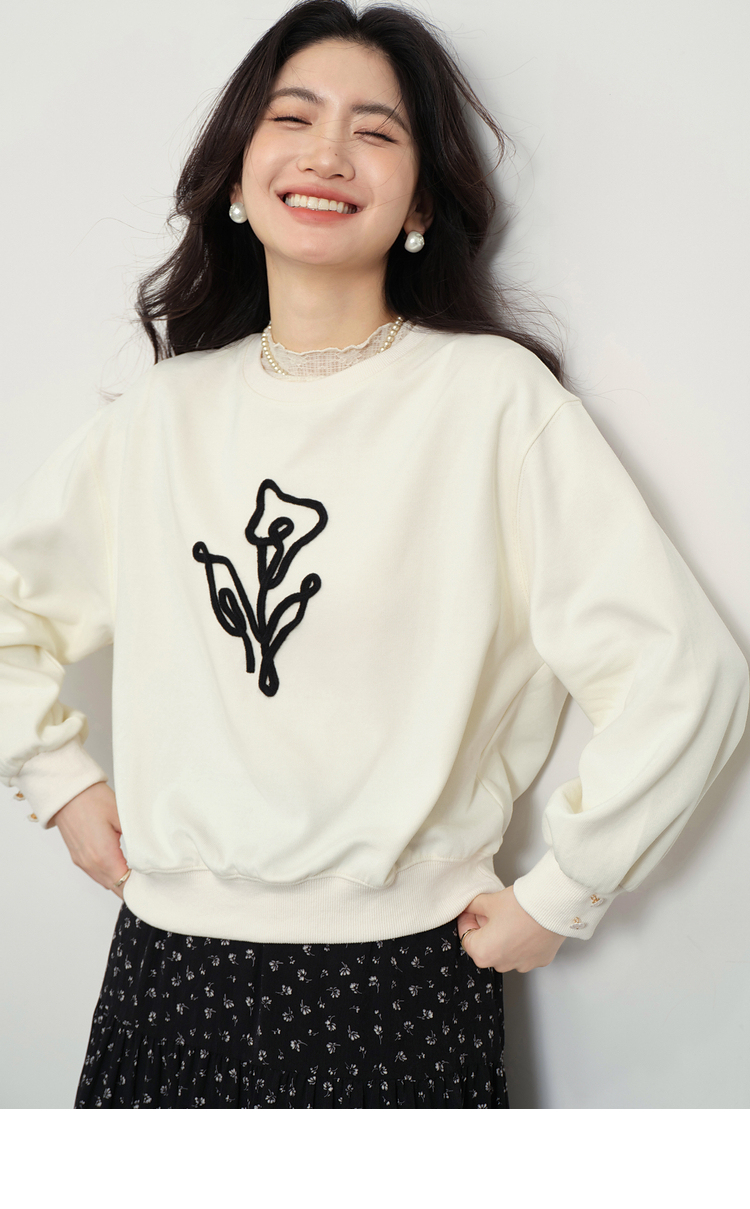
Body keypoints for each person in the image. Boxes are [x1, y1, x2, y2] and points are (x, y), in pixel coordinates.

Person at [0, 0, 747, 1110]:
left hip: (401, 982)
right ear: (238, 175)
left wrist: (566, 891)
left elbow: (684, 670)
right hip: (168, 974)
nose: (327, 154)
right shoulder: (161, 416)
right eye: (292, 118)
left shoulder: (492, 402)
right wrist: (57, 782)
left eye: (376, 130)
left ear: (422, 202)